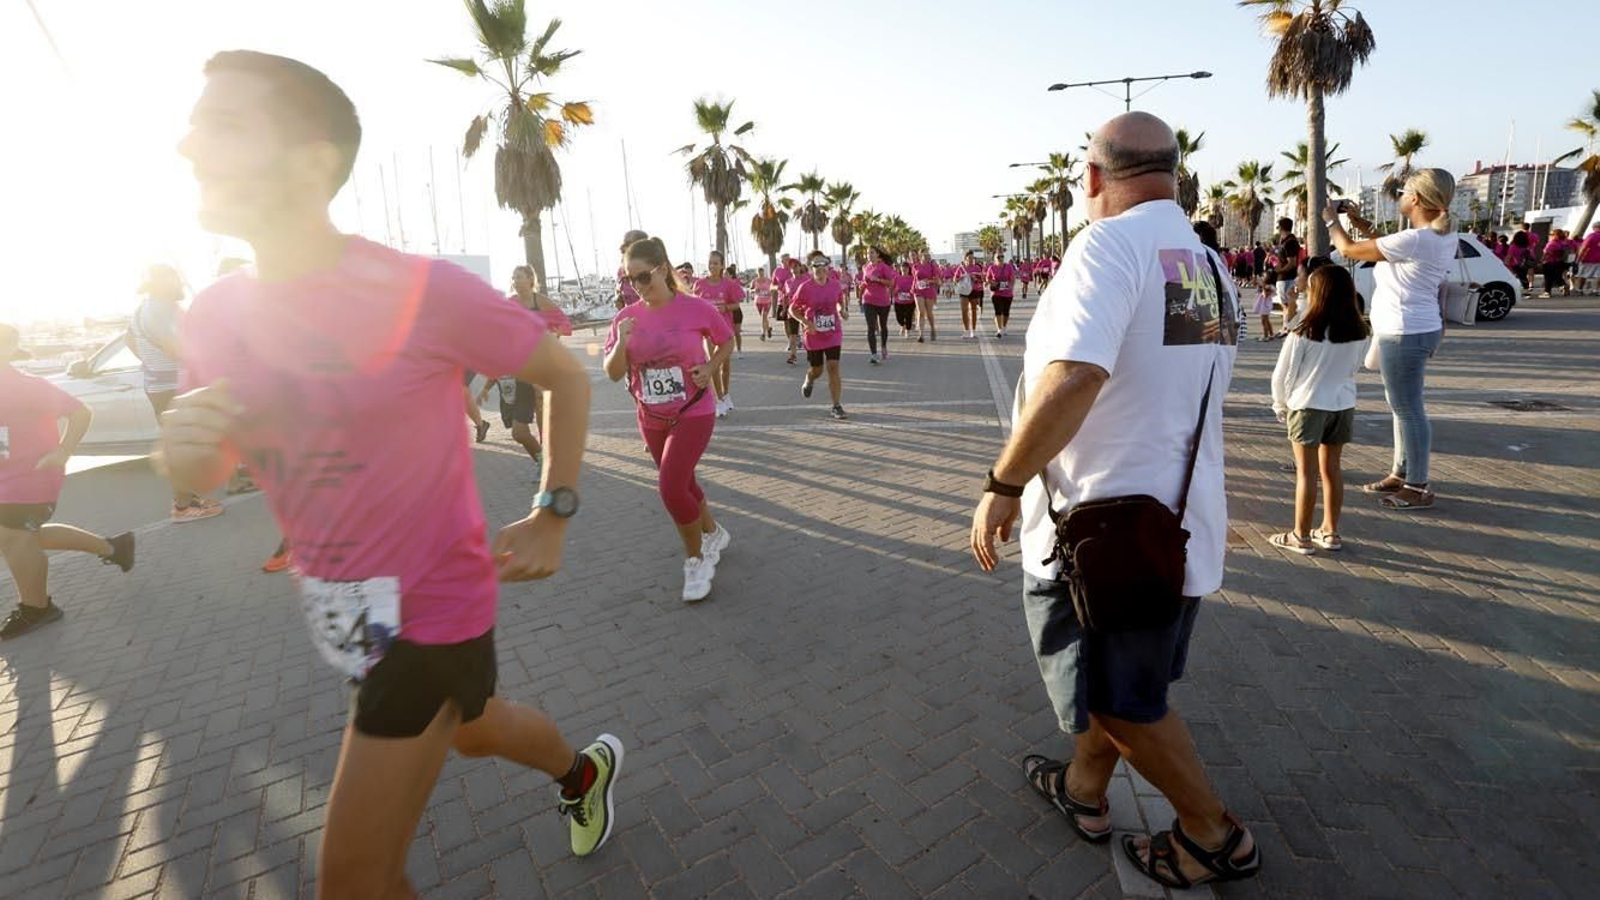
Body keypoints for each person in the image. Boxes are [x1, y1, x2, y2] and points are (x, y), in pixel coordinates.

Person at [164, 52, 622, 894]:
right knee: (475, 731)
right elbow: (212, 465)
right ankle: (582, 774)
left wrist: (554, 508)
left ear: (311, 160)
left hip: (430, 612)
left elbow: (562, 372)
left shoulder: (422, 291)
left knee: (354, 882)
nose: (188, 143)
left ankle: (578, 772)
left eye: (223, 124)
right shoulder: (215, 311)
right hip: (341, 610)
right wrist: (185, 448)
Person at [970, 111, 1257, 891]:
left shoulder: (1106, 246)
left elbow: (1076, 377)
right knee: (1122, 686)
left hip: (1103, 538)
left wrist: (1002, 485)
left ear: (1093, 178)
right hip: (1175, 527)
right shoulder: (1202, 261)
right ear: (1173, 173)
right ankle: (1084, 792)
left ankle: (1211, 834)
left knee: (1124, 702)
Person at [605, 237, 734, 602]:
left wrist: (709, 367)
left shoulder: (696, 308)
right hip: (650, 415)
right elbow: (613, 372)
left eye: (643, 277)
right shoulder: (625, 318)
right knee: (684, 481)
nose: (637, 287)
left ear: (662, 269)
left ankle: (696, 562)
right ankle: (713, 533)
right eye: (630, 280)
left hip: (694, 409)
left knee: (670, 486)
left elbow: (726, 341)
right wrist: (619, 345)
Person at [1325, 168, 1457, 512]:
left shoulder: (1415, 240)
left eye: (1402, 193)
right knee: (1403, 407)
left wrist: (1330, 219)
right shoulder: (1433, 236)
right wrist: (1359, 220)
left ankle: (1418, 484)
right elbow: (1382, 245)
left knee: (1409, 410)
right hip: (1415, 328)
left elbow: (1350, 250)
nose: (1398, 198)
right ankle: (1402, 472)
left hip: (1405, 332)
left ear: (1415, 198)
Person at [0, 324, 137, 640]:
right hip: (6, 479)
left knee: (14, 537)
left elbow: (80, 412)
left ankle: (37, 608)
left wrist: (64, 451)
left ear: (9, 349)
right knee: (22, 537)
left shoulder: (27, 386)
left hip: (32, 476)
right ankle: (114, 547)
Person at [1269, 266, 1369, 555]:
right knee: (1332, 470)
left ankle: (1300, 536)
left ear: (1318, 294)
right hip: (1342, 404)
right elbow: (1356, 368)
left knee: (1306, 473)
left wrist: (1281, 404)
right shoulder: (1360, 331)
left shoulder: (1303, 331)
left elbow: (1282, 375)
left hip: (1307, 405)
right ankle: (1330, 531)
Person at [129, 265, 225, 524]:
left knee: (183, 442)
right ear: (162, 282)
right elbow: (178, 350)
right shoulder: (161, 309)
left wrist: (151, 364)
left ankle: (190, 500)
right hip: (174, 385)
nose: (180, 282)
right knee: (181, 445)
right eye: (175, 278)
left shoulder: (143, 309)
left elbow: (130, 341)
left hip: (160, 384)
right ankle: (183, 506)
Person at [789, 252, 849, 419]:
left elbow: (839, 301)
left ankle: (836, 405)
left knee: (833, 367)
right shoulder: (805, 288)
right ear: (811, 268)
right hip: (813, 334)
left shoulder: (835, 285)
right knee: (818, 370)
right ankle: (809, 377)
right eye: (816, 265)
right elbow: (792, 309)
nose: (820, 268)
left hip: (833, 332)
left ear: (828, 267)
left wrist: (842, 311)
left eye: (823, 264)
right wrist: (807, 323)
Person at [692, 250, 745, 417]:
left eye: (716, 263)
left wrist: (725, 308)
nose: (712, 266)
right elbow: (695, 306)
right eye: (710, 263)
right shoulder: (700, 284)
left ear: (722, 265)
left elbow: (737, 304)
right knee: (713, 363)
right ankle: (719, 399)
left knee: (725, 365)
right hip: (707, 330)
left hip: (725, 328)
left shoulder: (728, 284)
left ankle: (726, 393)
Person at [859, 246, 895, 364]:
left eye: (872, 252)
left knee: (883, 326)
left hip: (883, 301)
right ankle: (874, 354)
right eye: (868, 253)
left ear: (878, 255)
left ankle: (883, 346)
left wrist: (878, 280)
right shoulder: (865, 267)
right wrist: (862, 285)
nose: (869, 255)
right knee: (871, 328)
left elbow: (890, 283)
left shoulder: (884, 267)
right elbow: (865, 281)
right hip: (868, 300)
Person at [1271, 218, 1301, 327]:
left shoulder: (1289, 242)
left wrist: (1279, 271)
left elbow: (1292, 263)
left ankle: (1288, 327)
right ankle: (1286, 326)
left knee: (1287, 305)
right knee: (1286, 305)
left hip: (1286, 278)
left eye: (1278, 227)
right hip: (1286, 277)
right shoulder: (1287, 241)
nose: (1278, 230)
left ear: (1281, 228)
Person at [986, 249, 1019, 339]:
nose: (1000, 258)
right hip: (996, 293)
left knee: (1006, 312)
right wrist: (992, 282)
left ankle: (1004, 327)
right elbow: (987, 278)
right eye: (998, 257)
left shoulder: (1008, 267)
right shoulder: (991, 268)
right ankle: (999, 329)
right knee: (998, 311)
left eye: (1002, 256)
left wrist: (1011, 287)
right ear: (994, 258)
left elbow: (1012, 278)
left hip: (1007, 293)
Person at [614, 228, 649, 309]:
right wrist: (619, 299)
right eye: (624, 244)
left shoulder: (652, 269)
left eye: (628, 244)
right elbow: (619, 294)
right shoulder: (621, 271)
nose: (622, 247)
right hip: (630, 316)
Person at [910, 250, 941, 342]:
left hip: (929, 290)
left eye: (928, 255)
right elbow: (915, 278)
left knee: (929, 313)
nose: (928, 257)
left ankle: (932, 329)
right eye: (925, 255)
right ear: (920, 256)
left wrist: (929, 281)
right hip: (918, 290)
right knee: (921, 312)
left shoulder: (932, 266)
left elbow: (937, 281)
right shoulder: (915, 266)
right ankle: (921, 334)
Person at [955, 249, 986, 340]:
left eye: (973, 258)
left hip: (974, 289)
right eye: (969, 258)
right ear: (965, 258)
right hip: (964, 291)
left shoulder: (977, 267)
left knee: (973, 310)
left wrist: (975, 278)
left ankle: (973, 331)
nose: (972, 260)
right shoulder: (961, 268)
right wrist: (963, 276)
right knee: (964, 310)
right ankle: (966, 331)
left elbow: (982, 279)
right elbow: (955, 280)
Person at [1540, 229, 1574, 298]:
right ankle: (1563, 286)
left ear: (1556, 235)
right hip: (1561, 262)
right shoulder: (1565, 243)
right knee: (1557, 276)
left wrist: (1542, 260)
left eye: (1552, 234)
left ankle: (1547, 292)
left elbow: (1546, 253)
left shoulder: (1552, 243)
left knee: (1548, 278)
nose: (1550, 236)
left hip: (1550, 262)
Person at [891, 259, 918, 341]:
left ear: (909, 269)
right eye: (903, 268)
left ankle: (907, 330)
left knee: (908, 317)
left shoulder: (912, 278)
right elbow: (891, 289)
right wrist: (896, 291)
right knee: (899, 318)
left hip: (910, 301)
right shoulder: (896, 278)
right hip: (898, 301)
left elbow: (915, 288)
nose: (904, 269)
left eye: (906, 268)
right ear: (900, 269)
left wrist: (911, 292)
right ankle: (902, 326)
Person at [1576, 223, 1600, 296]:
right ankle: (1596, 290)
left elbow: (1584, 248)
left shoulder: (1591, 236)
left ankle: (1580, 290)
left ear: (1595, 227)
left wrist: (1578, 258)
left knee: (1583, 274)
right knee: (1598, 275)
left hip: (1588, 258)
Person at [751, 266, 775, 339]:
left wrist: (771, 293)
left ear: (763, 272)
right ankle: (768, 328)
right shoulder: (754, 281)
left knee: (764, 316)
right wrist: (754, 290)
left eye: (762, 272)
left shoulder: (768, 280)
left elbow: (773, 288)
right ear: (757, 273)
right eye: (759, 272)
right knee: (764, 318)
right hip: (758, 301)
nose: (761, 273)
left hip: (767, 301)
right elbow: (750, 289)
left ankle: (763, 334)